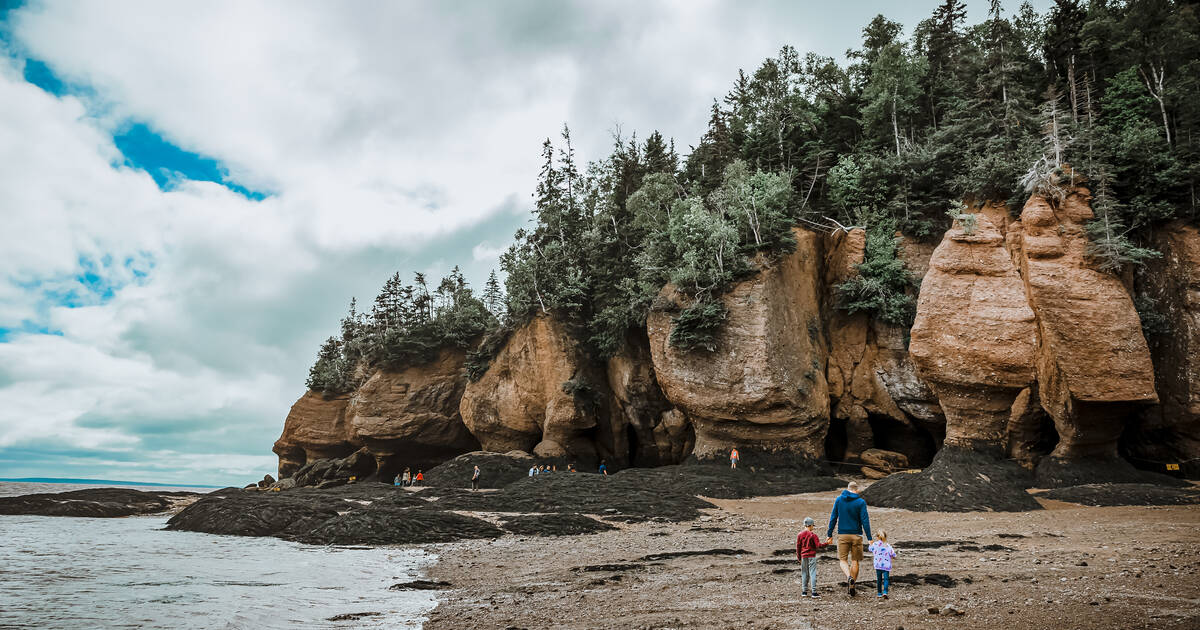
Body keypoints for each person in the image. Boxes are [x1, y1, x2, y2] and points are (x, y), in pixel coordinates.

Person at [826, 481, 872, 597]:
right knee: (855, 561)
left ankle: (849, 577)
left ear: (847, 488)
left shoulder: (839, 500)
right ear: (856, 490)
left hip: (843, 535)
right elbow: (865, 521)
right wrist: (870, 538)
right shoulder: (861, 502)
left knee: (842, 560)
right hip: (857, 535)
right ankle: (852, 585)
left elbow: (833, 517)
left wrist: (829, 534)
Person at [796, 516, 832, 598]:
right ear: (810, 525)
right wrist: (827, 543)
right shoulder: (813, 535)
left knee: (804, 573)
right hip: (811, 556)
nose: (813, 527)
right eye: (813, 525)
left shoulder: (800, 535)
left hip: (803, 556)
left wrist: (799, 557)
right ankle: (814, 592)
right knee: (812, 573)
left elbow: (798, 547)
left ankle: (804, 591)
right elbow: (818, 546)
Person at [868, 530, 897, 599]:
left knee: (879, 579)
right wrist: (894, 556)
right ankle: (885, 592)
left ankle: (879, 593)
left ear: (877, 537)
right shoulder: (887, 546)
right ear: (885, 537)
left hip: (878, 565)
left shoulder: (875, 545)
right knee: (886, 579)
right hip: (886, 566)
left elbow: (870, 549)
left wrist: (870, 543)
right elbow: (893, 554)